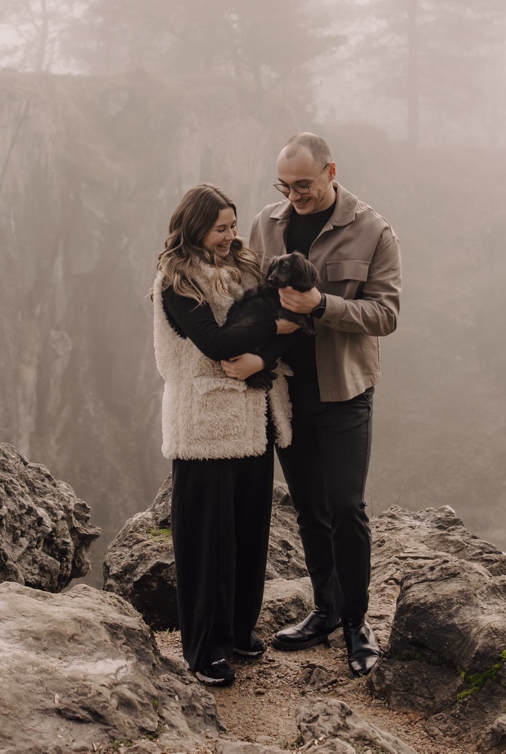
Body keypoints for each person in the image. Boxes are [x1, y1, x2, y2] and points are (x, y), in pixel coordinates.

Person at [248, 133, 401, 678]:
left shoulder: (373, 230)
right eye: (284, 187)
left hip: (345, 391)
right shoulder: (265, 225)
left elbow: (385, 314)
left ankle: (359, 622)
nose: (295, 197)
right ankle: (326, 610)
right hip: (287, 392)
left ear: (332, 171)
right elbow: (250, 299)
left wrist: (321, 305)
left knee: (346, 508)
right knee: (310, 509)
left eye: (305, 185)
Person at [151, 183, 300, 687]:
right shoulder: (176, 282)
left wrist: (267, 349)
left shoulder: (246, 270)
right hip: (204, 423)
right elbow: (215, 342)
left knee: (248, 532)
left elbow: (264, 339)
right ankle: (203, 648)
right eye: (221, 228)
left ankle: (238, 630)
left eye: (234, 225)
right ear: (195, 229)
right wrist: (277, 328)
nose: (231, 235)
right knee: (206, 540)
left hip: (253, 416)